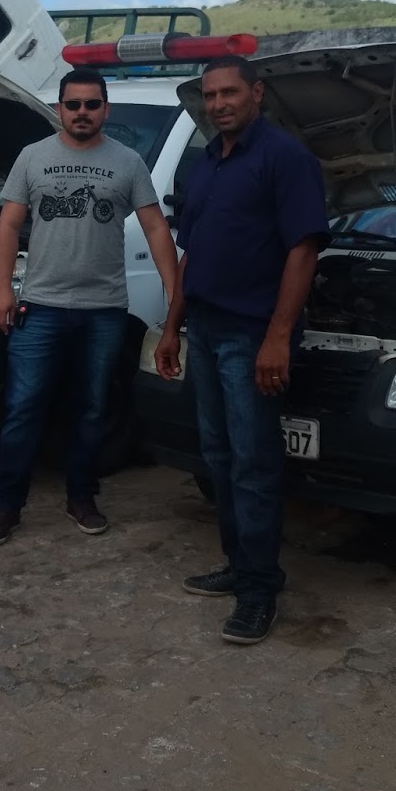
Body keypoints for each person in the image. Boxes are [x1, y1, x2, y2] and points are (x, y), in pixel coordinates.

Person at [154, 56, 327, 644]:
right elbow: (191, 253)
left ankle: (259, 591)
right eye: (210, 96)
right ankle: (239, 564)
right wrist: (172, 327)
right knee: (219, 457)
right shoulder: (207, 162)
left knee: (254, 462)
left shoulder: (284, 158)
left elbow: (303, 250)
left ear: (256, 93)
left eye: (229, 92)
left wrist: (278, 336)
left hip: (251, 332)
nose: (219, 104)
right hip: (203, 328)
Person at [0, 67, 179, 546]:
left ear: (105, 109)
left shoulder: (128, 162)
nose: (82, 112)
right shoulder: (32, 156)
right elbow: (9, 226)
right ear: (60, 110)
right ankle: (6, 506)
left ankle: (82, 497)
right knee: (23, 410)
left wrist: (176, 296)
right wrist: (3, 288)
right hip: (40, 307)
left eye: (91, 104)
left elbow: (155, 228)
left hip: (104, 310)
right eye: (73, 105)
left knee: (91, 411)